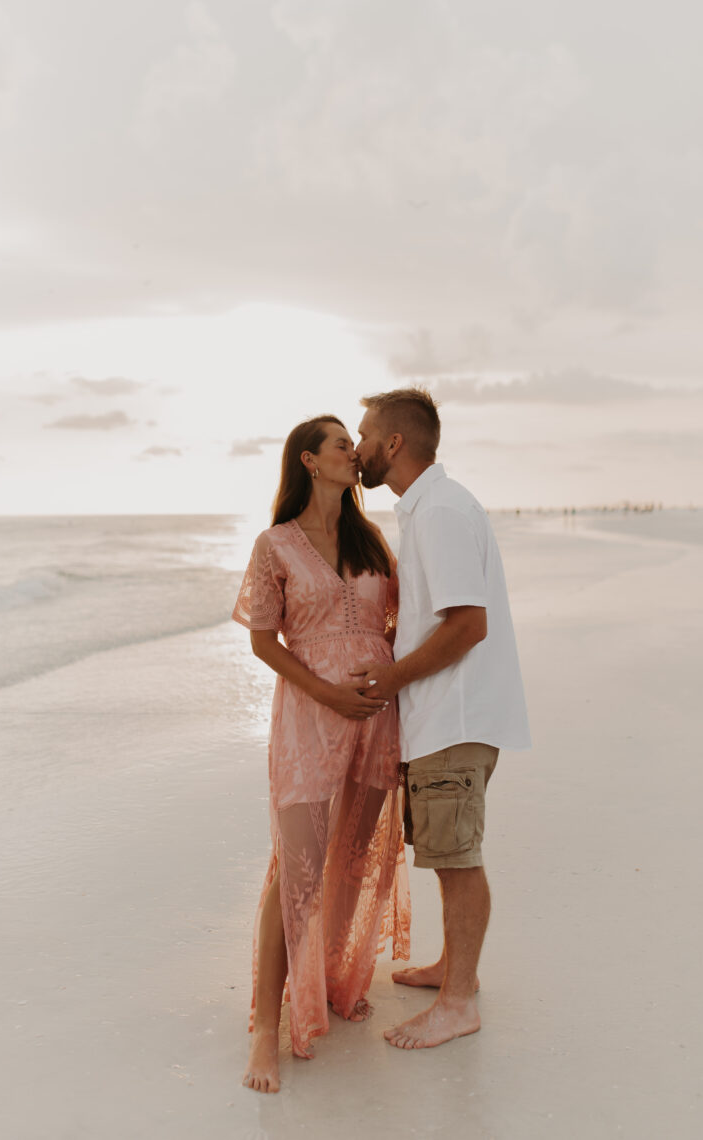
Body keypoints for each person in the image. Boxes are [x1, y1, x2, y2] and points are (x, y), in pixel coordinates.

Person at [232, 415, 411, 1093]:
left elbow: (398, 622)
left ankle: (333, 984)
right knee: (297, 871)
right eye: (342, 443)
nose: (354, 452)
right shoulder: (274, 544)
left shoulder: (371, 541)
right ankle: (264, 1033)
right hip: (310, 718)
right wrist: (328, 694)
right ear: (309, 460)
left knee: (353, 861)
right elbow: (263, 640)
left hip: (376, 719)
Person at [353, 387, 530, 1050]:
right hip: (444, 715)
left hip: (455, 716)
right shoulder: (428, 508)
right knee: (447, 853)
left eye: (366, 433)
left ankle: (459, 1003)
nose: (360, 445)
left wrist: (390, 680)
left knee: (458, 860)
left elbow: (467, 626)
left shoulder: (440, 512)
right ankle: (455, 970)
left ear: (393, 443)